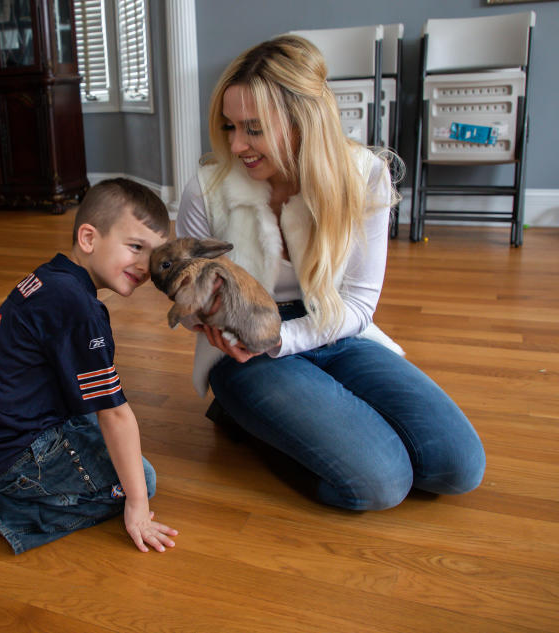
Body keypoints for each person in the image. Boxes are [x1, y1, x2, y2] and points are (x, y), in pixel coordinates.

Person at [176, 35, 485, 511]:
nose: (236, 144)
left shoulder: (363, 175)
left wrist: (284, 339)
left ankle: (291, 417)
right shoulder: (207, 188)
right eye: (229, 126)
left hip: (334, 327)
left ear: (302, 121)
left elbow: (359, 303)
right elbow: (185, 292)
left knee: (459, 466)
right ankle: (249, 420)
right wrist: (208, 320)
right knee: (379, 484)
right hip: (244, 351)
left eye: (253, 129)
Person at [0, 178, 179, 554]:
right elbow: (115, 416)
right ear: (89, 238)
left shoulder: (51, 277)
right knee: (140, 478)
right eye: (135, 247)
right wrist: (138, 506)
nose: (146, 266)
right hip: (16, 449)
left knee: (98, 420)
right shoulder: (79, 308)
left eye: (153, 253)